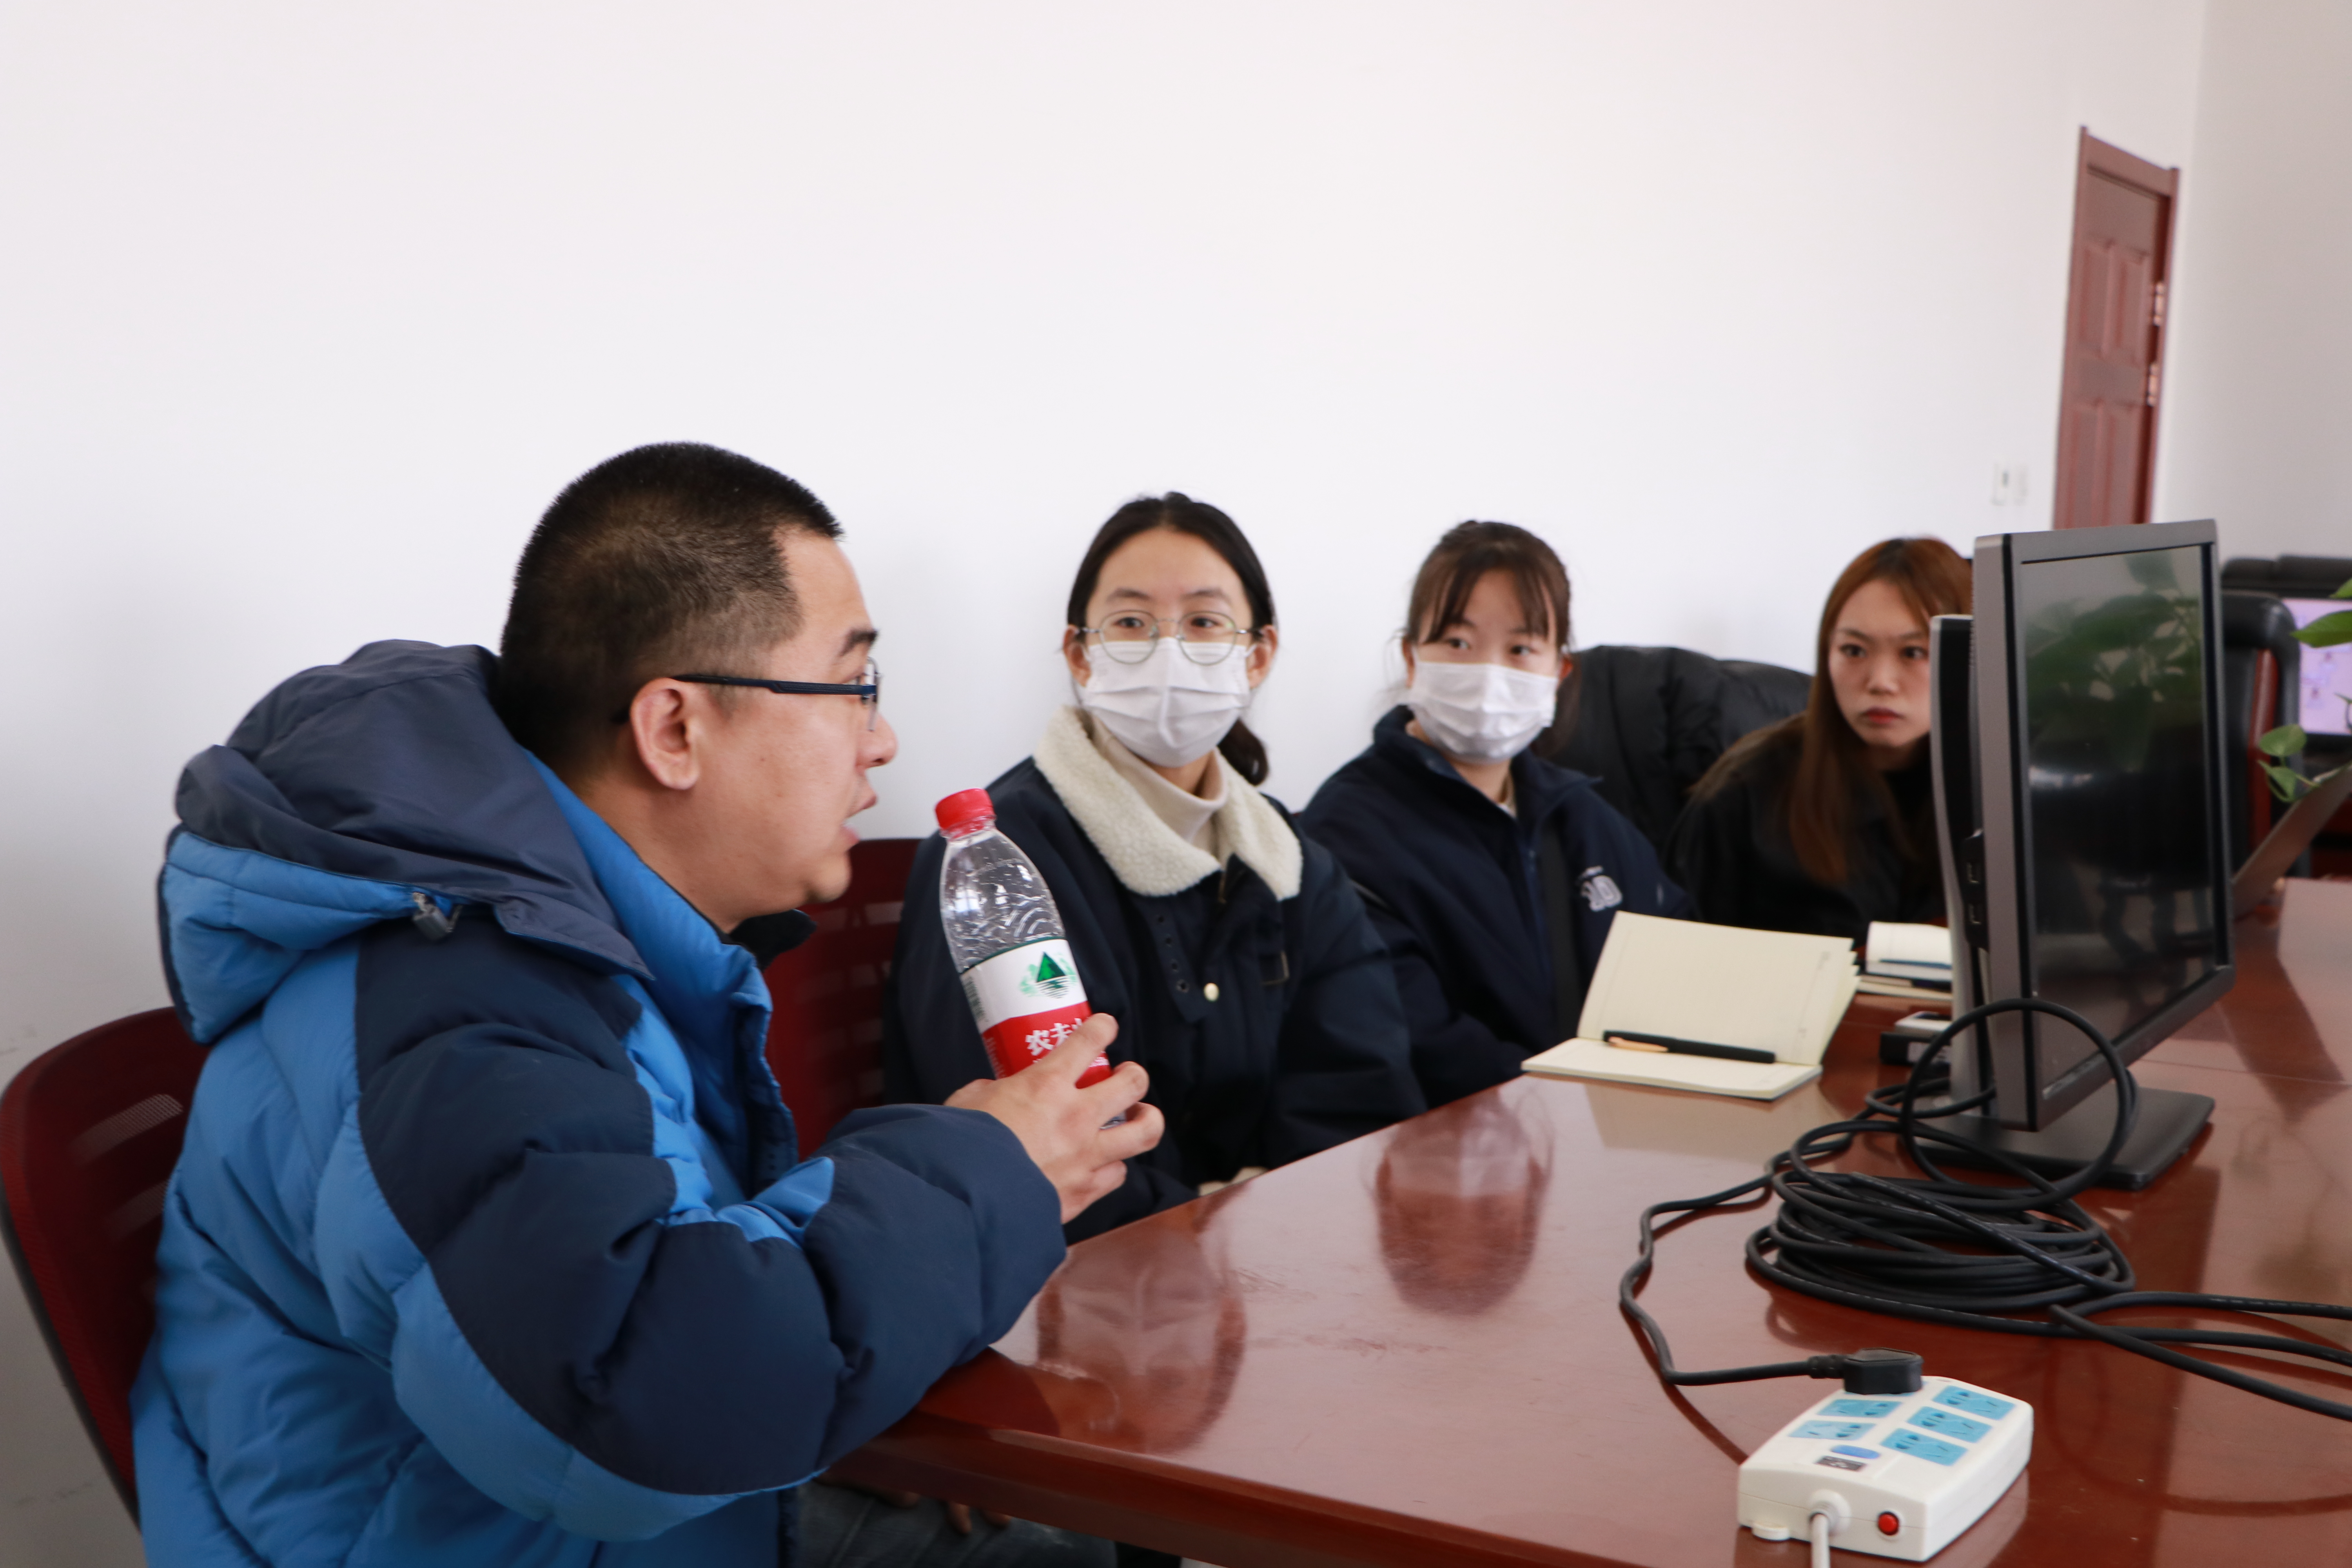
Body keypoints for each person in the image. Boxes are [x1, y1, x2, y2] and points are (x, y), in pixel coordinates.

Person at [132, 443, 1160, 1568]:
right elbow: (633, 1404)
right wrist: (984, 1173)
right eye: (854, 684)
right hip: (496, 1538)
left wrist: (869, 1378)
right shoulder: (458, 1003)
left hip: (604, 1522)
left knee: (1069, 1541)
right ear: (675, 729)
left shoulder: (567, 943)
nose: (882, 740)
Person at [883, 492, 1424, 1241]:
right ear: (1080, 654)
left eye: (1204, 622)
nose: (1168, 649)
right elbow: (1040, 1150)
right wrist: (1210, 1237)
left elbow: (1362, 1099)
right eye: (1132, 622)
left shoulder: (1292, 864)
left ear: (1257, 655)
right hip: (1086, 1277)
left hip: (1290, 1262)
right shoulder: (1001, 866)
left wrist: (1274, 1233)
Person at [1300, 522, 1689, 1108]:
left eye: (1520, 649)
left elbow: (1677, 957)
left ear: (1558, 672)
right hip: (1458, 1142)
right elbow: (1415, 1042)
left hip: (1612, 1130)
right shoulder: (1347, 831)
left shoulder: (1582, 816)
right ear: (1411, 658)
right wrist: (1574, 1100)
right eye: (1458, 643)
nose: (1488, 672)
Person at [1666, 535, 1972, 942]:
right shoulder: (1745, 792)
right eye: (1854, 650)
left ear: (1972, 657)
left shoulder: (2005, 791)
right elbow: (1678, 954)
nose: (1880, 682)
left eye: (1913, 653)